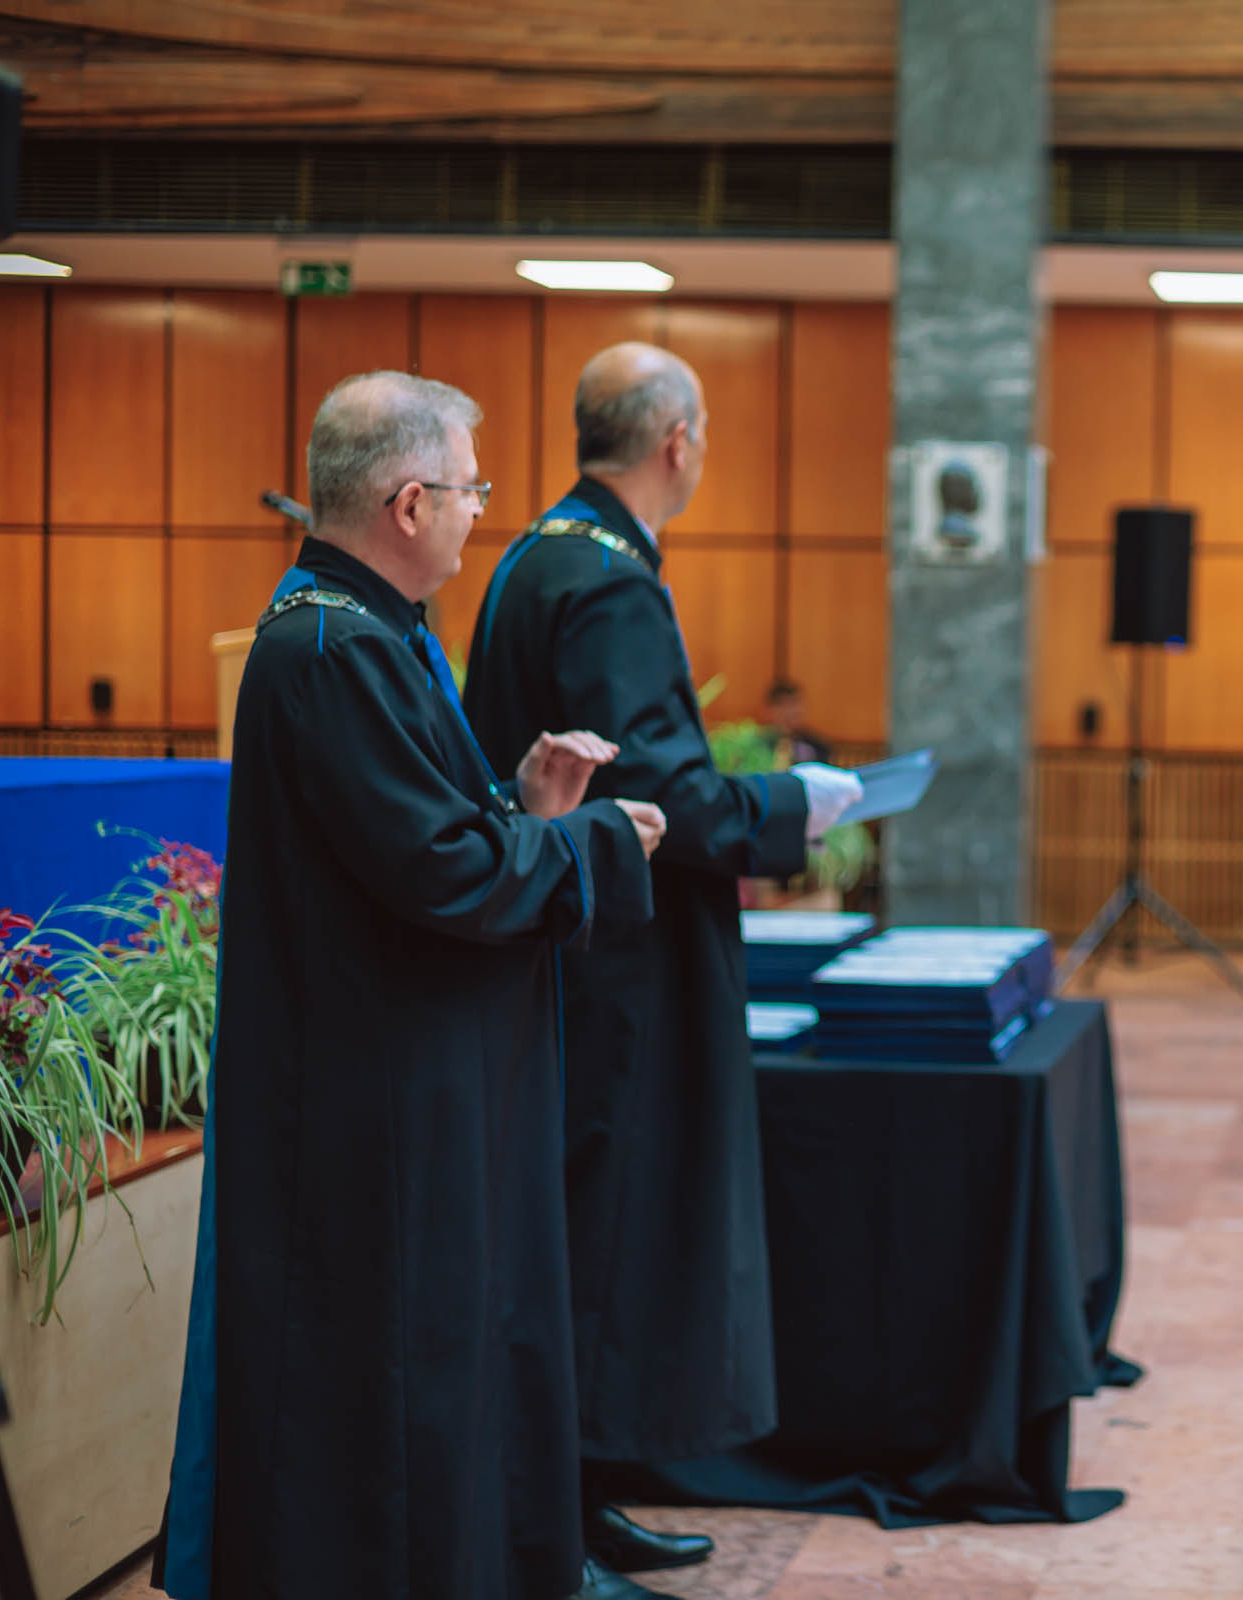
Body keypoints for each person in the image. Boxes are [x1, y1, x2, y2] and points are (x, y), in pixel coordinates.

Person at [154, 372, 667, 1600]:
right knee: (386, 1383)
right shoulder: (333, 648)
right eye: (473, 489)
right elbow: (439, 872)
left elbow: (428, 837)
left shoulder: (368, 632)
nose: (482, 510)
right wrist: (595, 842)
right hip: (369, 1101)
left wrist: (528, 805)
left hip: (399, 1076)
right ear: (409, 501)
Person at [461, 343, 863, 1592]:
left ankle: (579, 1501)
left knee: (577, 1224)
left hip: (557, 939)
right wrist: (792, 804)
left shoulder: (537, 551)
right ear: (678, 441)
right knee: (598, 1232)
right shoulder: (611, 578)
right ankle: (556, 1529)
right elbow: (664, 791)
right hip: (615, 964)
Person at [764, 677, 835, 766]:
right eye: (781, 705)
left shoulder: (818, 746)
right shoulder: (759, 744)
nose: (788, 712)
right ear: (768, 710)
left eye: (793, 704)